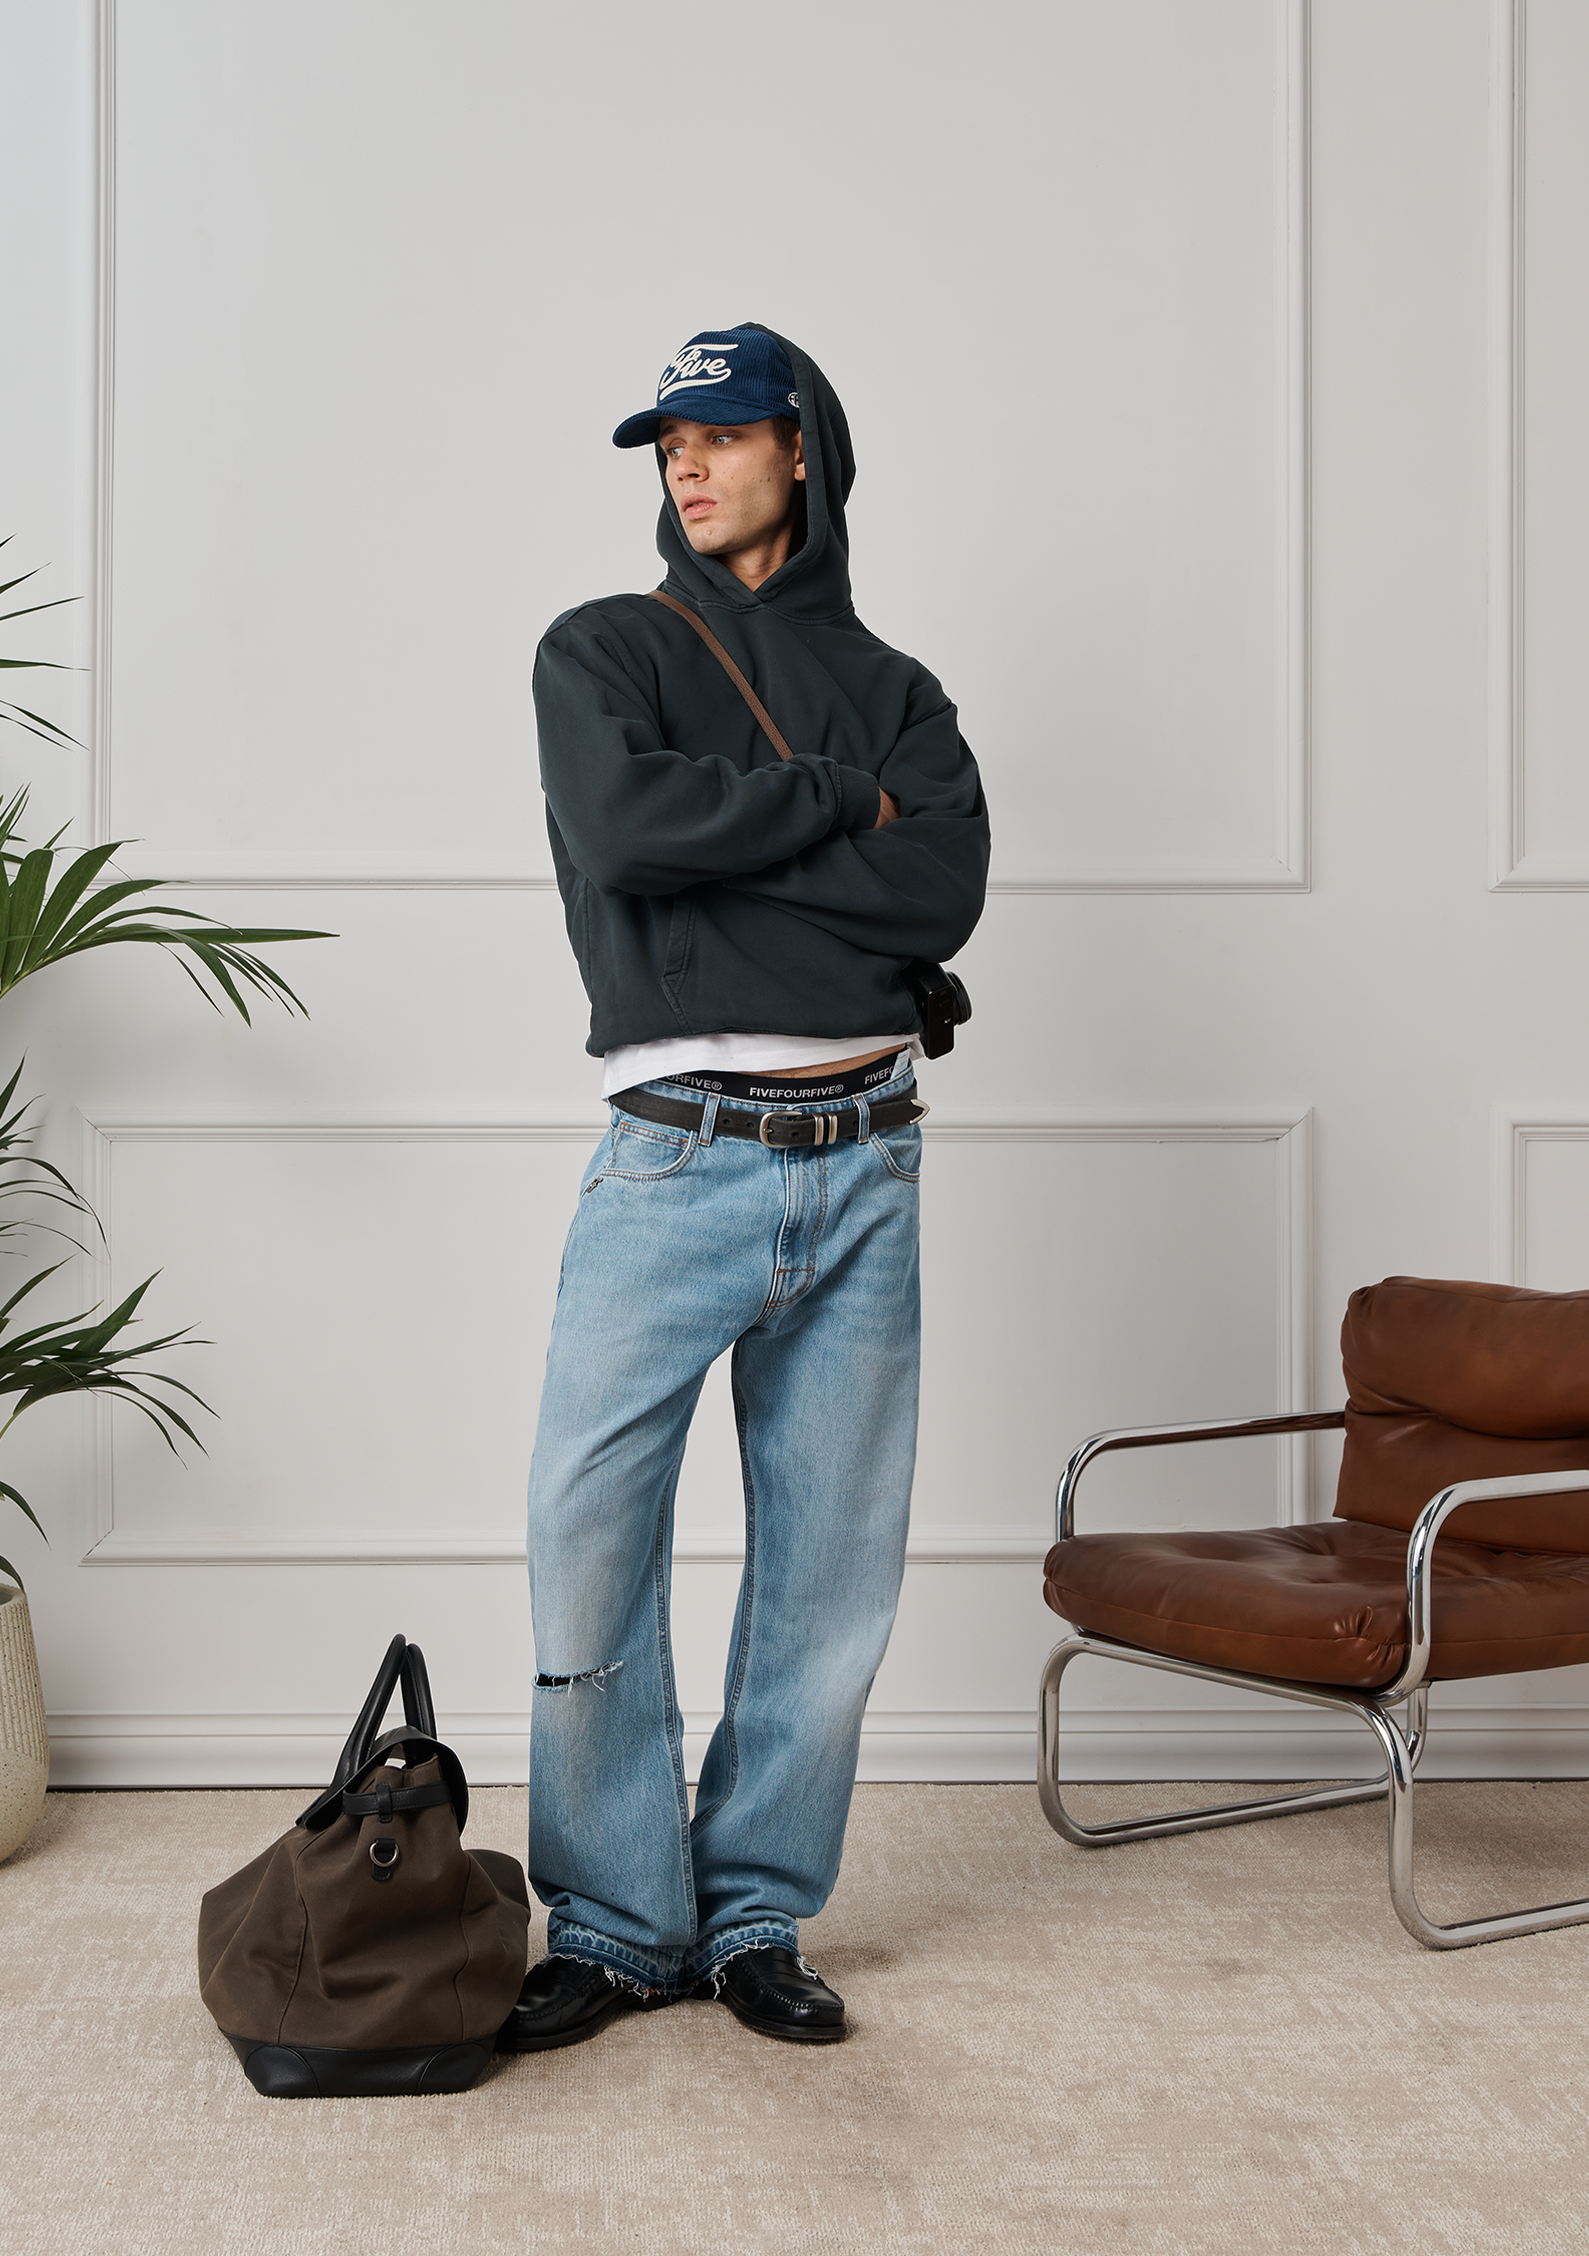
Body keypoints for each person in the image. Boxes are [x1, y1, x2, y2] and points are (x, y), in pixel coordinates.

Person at [500, 325, 990, 2054]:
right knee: (587, 1535)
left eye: (717, 432)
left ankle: (757, 1910)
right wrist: (833, 810)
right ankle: (620, 1920)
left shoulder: (902, 688)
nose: (686, 465)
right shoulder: (603, 648)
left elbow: (939, 893)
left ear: (803, 446)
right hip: (676, 1156)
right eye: (667, 444)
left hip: (869, 1158)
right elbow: (627, 837)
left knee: (830, 1569)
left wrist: (740, 860)